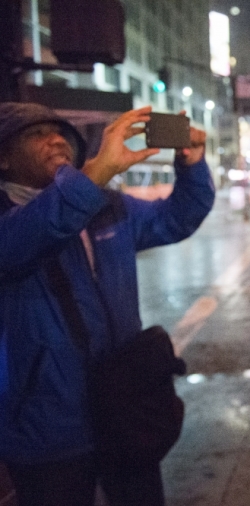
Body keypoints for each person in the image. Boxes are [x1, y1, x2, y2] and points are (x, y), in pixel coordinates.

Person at [0, 103, 215, 506]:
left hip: (123, 407)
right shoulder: (14, 218)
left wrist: (191, 164)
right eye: (36, 134)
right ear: (4, 157)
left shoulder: (107, 206)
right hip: (45, 424)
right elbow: (28, 236)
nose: (56, 139)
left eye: (61, 132)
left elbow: (177, 218)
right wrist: (96, 174)